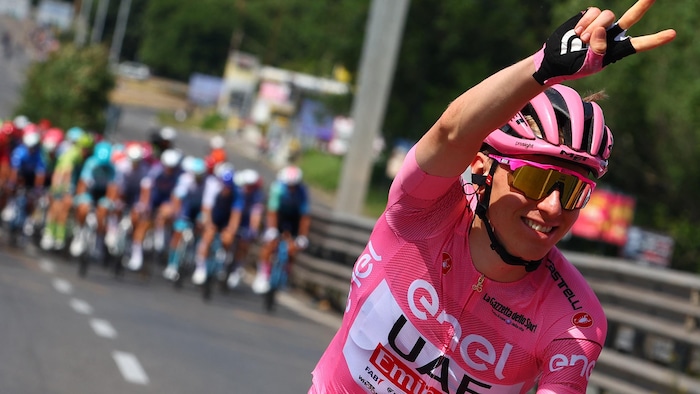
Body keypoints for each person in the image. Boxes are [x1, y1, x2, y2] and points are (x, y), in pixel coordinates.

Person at [310, 2, 675, 393]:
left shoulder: (572, 321)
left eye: (572, 191)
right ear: (484, 167)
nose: (553, 207)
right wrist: (543, 68)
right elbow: (452, 133)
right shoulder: (423, 211)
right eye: (535, 180)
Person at [252, 164, 310, 294]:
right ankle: (262, 274)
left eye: (294, 186)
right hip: (279, 216)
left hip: (294, 218)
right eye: (289, 186)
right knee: (269, 244)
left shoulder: (302, 192)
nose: (291, 189)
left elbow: (304, 217)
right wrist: (272, 230)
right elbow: (272, 212)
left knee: (293, 248)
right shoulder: (277, 188)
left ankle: (286, 274)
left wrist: (303, 236)